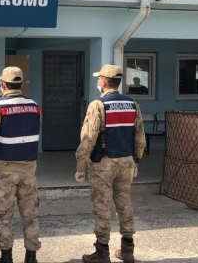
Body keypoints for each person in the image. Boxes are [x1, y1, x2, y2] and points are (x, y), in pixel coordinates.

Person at [75, 64, 146, 263]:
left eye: (99, 78)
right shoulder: (132, 104)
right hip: (127, 161)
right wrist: (136, 161)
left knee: (102, 206)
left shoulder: (98, 105)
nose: (98, 81)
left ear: (104, 82)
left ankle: (102, 253)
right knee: (124, 203)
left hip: (104, 164)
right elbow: (140, 136)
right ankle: (127, 250)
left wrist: (80, 166)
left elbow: (89, 138)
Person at [0, 67, 41, 263]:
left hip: (5, 171)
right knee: (30, 216)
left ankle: (6, 257)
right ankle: (31, 257)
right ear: (21, 84)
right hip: (29, 171)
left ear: (3, 85)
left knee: (4, 216)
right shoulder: (34, 106)